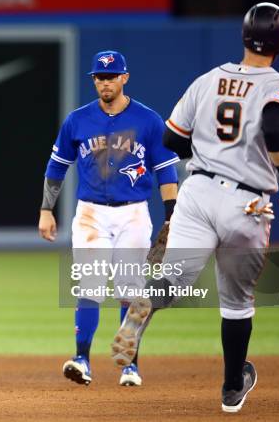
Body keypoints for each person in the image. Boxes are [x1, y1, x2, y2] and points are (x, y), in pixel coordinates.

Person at [111, 3, 279, 412]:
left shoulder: (208, 79)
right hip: (246, 201)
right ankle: (233, 388)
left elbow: (173, 139)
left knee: (175, 280)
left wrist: (211, 152)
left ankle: (144, 305)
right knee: (236, 303)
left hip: (196, 193)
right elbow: (274, 127)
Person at [39, 50, 179, 387]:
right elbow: (57, 166)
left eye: (111, 76)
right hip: (91, 213)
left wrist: (173, 215)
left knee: (130, 290)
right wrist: (46, 209)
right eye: (100, 77)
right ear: (94, 80)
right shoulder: (77, 120)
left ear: (124, 78)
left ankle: (130, 366)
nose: (105, 82)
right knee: (90, 285)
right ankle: (81, 359)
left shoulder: (148, 120)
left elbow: (166, 170)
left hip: (134, 213)